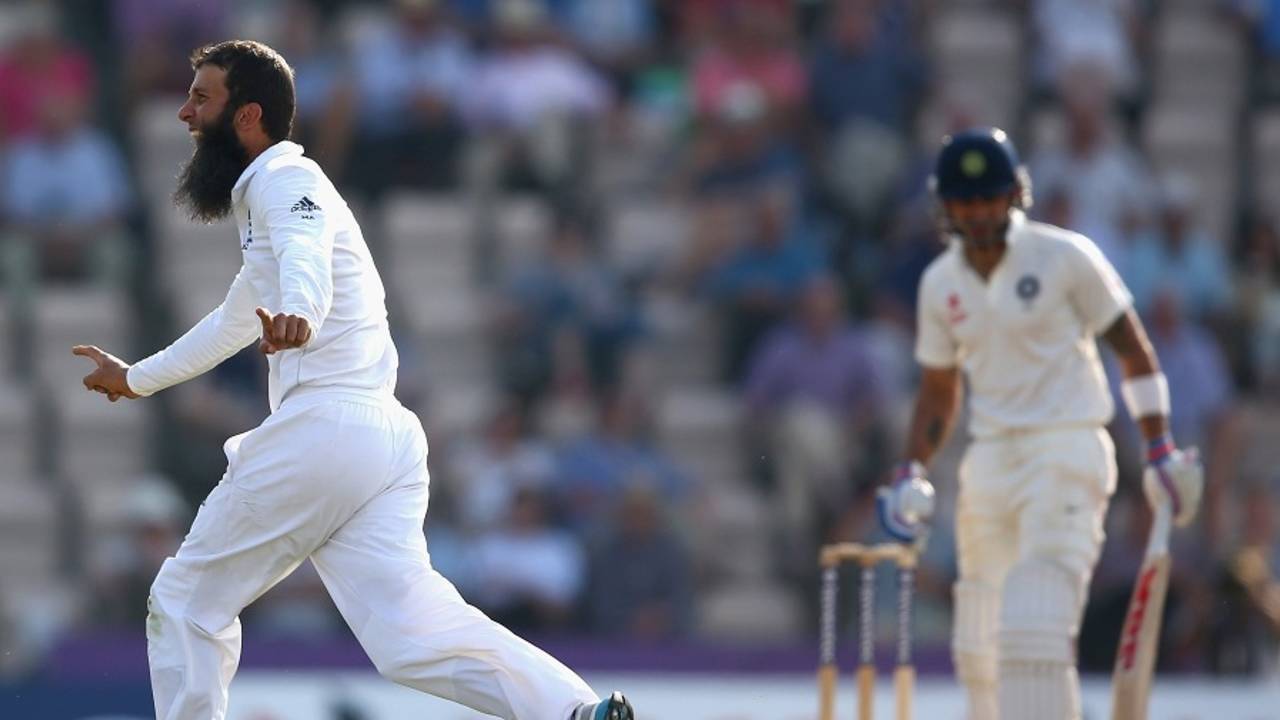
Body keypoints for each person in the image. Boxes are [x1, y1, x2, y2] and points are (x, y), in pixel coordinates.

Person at [69, 40, 633, 720]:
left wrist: (302, 314)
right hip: (380, 440)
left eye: (201, 98)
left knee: (186, 597)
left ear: (248, 116)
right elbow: (234, 319)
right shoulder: (266, 199)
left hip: (328, 426)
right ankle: (574, 712)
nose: (185, 113)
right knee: (408, 634)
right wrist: (139, 380)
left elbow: (304, 262)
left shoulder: (287, 182)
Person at [876, 128, 1204, 720]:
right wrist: (910, 470)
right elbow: (938, 390)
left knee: (1034, 631)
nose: (978, 213)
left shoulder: (1065, 256)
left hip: (1067, 449)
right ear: (945, 206)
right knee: (978, 647)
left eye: (989, 198)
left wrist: (1158, 449)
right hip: (990, 462)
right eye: (965, 202)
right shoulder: (939, 284)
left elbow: (1133, 350)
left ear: (1014, 195)